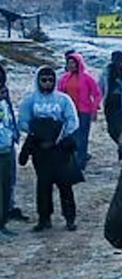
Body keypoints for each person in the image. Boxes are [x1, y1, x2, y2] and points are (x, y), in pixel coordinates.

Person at [17, 66, 79, 231]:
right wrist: (37, 134)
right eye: (43, 80)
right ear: (38, 80)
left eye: (50, 80)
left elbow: (72, 120)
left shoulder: (63, 100)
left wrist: (58, 137)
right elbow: (23, 121)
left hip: (59, 149)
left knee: (65, 184)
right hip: (40, 149)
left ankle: (70, 218)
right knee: (43, 185)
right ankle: (44, 218)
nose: (47, 83)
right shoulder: (30, 100)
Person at [57, 52, 102, 172]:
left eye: (73, 63)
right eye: (69, 63)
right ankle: (71, 160)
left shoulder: (87, 78)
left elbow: (97, 94)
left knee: (82, 138)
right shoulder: (64, 78)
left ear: (78, 63)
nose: (71, 65)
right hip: (69, 112)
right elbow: (59, 95)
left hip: (84, 111)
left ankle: (80, 162)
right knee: (70, 136)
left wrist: (94, 109)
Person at [97, 51, 122, 161]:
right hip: (109, 105)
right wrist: (97, 102)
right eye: (119, 61)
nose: (121, 64)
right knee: (111, 130)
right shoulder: (106, 73)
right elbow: (100, 88)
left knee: (121, 129)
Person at [0, 65, 18, 234]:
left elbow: (10, 116)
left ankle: (3, 221)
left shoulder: (4, 94)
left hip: (7, 146)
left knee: (7, 185)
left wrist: (15, 135)